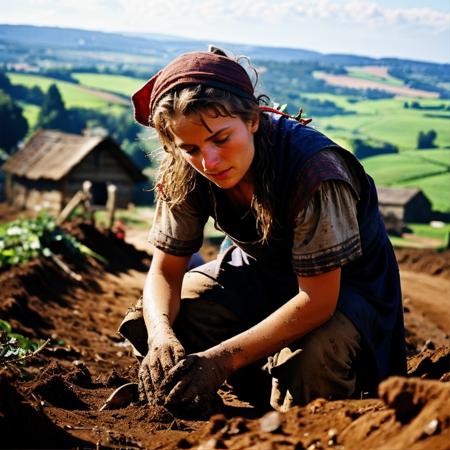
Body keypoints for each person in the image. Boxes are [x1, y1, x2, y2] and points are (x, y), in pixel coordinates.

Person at [119, 47, 406, 414]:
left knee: (310, 362)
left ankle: (301, 408)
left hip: (344, 291)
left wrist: (219, 361)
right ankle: (252, 388)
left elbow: (318, 300)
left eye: (222, 139)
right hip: (258, 274)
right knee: (157, 319)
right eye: (190, 147)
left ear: (253, 119)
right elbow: (166, 270)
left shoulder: (315, 174)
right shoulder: (185, 168)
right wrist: (161, 337)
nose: (209, 161)